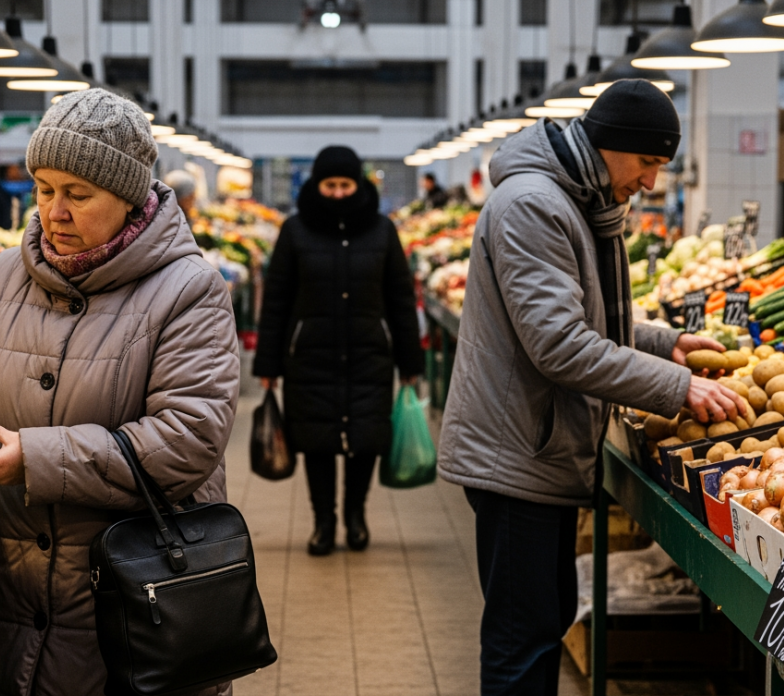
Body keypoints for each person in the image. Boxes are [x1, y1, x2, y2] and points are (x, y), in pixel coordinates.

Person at [0, 88, 240, 696]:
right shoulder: (5, 276)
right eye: (43, 188)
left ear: (128, 196)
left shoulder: (189, 290)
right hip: (12, 610)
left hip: (132, 614)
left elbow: (188, 440)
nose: (53, 212)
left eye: (78, 194)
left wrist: (32, 460)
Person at [437, 80, 747, 696]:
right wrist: (674, 385)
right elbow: (559, 345)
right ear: (610, 147)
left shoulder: (572, 197)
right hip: (517, 452)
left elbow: (585, 313)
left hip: (535, 446)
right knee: (522, 639)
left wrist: (665, 344)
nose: (652, 183)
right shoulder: (534, 205)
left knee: (541, 623)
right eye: (648, 163)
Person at [254, 145, 423, 556]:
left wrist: (410, 360)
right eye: (329, 185)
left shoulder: (383, 231)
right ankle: (323, 523)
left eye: (344, 184)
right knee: (317, 441)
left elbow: (401, 298)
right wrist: (268, 361)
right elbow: (277, 299)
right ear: (317, 185)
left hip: (369, 353)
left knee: (364, 439)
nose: (337, 193)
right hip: (310, 355)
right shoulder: (295, 231)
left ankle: (356, 517)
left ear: (358, 184)